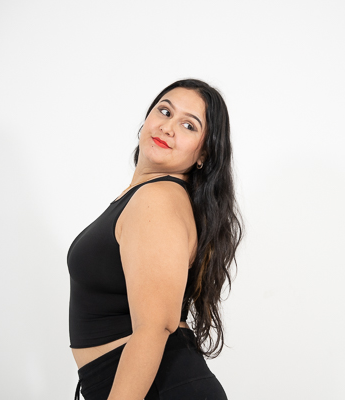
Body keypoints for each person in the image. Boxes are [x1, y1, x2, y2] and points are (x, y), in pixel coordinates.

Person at [67, 79, 243, 400]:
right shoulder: (145, 196)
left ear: (203, 153)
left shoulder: (158, 198)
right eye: (165, 111)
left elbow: (155, 326)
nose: (168, 128)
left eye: (188, 125)